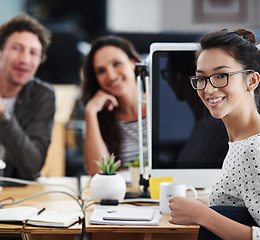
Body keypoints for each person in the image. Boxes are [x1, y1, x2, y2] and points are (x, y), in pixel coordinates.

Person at [168, 28, 260, 239]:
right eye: (202, 78)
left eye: (221, 76)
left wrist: (203, 216)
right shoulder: (240, 141)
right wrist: (212, 205)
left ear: (252, 81)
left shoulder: (254, 149)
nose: (208, 89)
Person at [81, 35, 146, 176]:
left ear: (133, 63)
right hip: (125, 196)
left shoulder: (162, 105)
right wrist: (90, 111)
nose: (111, 76)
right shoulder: (98, 118)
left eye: (116, 64)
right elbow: (98, 173)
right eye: (101, 71)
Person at [0, 13, 55, 180]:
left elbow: (32, 165)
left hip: (14, 194)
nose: (25, 59)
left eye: (33, 53)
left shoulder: (42, 95)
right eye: (17, 48)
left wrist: (3, 115)